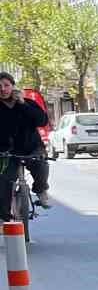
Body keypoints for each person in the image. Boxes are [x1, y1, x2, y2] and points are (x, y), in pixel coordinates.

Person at [0, 72, 51, 218]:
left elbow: (42, 121)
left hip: (31, 147)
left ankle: (41, 190)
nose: (3, 89)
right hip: (6, 151)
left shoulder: (27, 103)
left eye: (6, 85)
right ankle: (3, 217)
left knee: (41, 166)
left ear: (13, 87)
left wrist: (22, 103)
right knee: (4, 181)